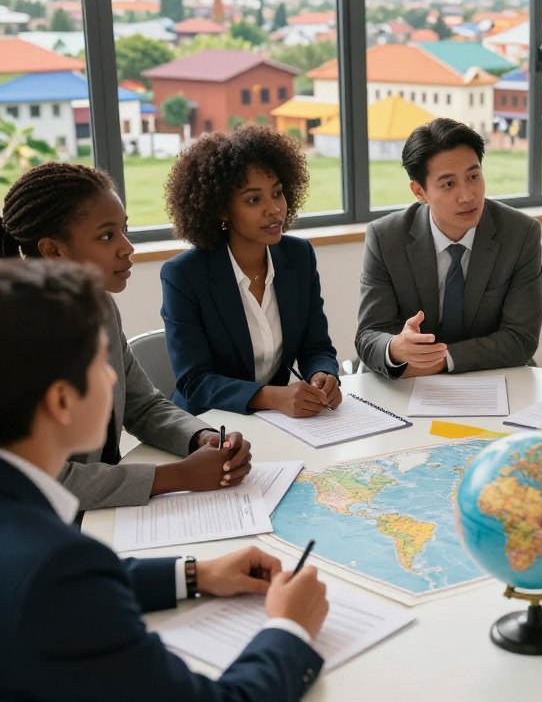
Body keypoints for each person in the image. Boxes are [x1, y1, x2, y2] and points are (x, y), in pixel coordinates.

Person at [0, 259, 329, 701]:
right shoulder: (58, 568)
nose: (115, 377)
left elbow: (71, 589)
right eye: (102, 365)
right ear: (61, 400)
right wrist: (290, 627)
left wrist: (194, 574)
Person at [0, 163, 251, 511]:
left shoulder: (99, 306)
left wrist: (200, 438)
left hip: (107, 514)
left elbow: (142, 403)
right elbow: (45, 479)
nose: (127, 247)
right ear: (52, 250)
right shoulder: (17, 341)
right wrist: (175, 477)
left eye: (124, 230)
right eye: (107, 236)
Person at [161, 125, 341, 417]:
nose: (274, 210)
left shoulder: (299, 257)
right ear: (221, 209)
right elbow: (195, 381)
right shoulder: (184, 275)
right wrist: (274, 397)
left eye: (278, 193)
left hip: (281, 422)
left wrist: (323, 374)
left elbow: (316, 346)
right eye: (253, 200)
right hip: (210, 425)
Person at [355, 117, 542, 378]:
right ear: (419, 191)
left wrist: (437, 362)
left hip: (490, 380)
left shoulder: (520, 233)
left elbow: (520, 338)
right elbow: (369, 335)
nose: (467, 196)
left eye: (473, 176)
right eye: (448, 184)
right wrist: (397, 349)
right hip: (402, 385)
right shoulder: (386, 237)